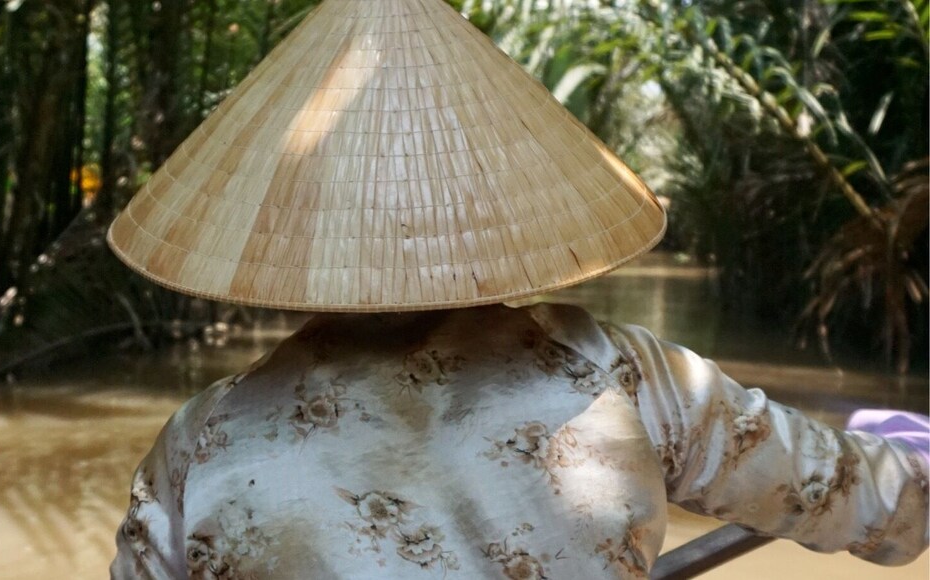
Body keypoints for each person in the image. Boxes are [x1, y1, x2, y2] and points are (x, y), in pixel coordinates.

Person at [106, 0, 929, 577]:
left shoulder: (201, 440)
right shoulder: (619, 373)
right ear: (494, 201)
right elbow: (861, 501)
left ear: (294, 229)